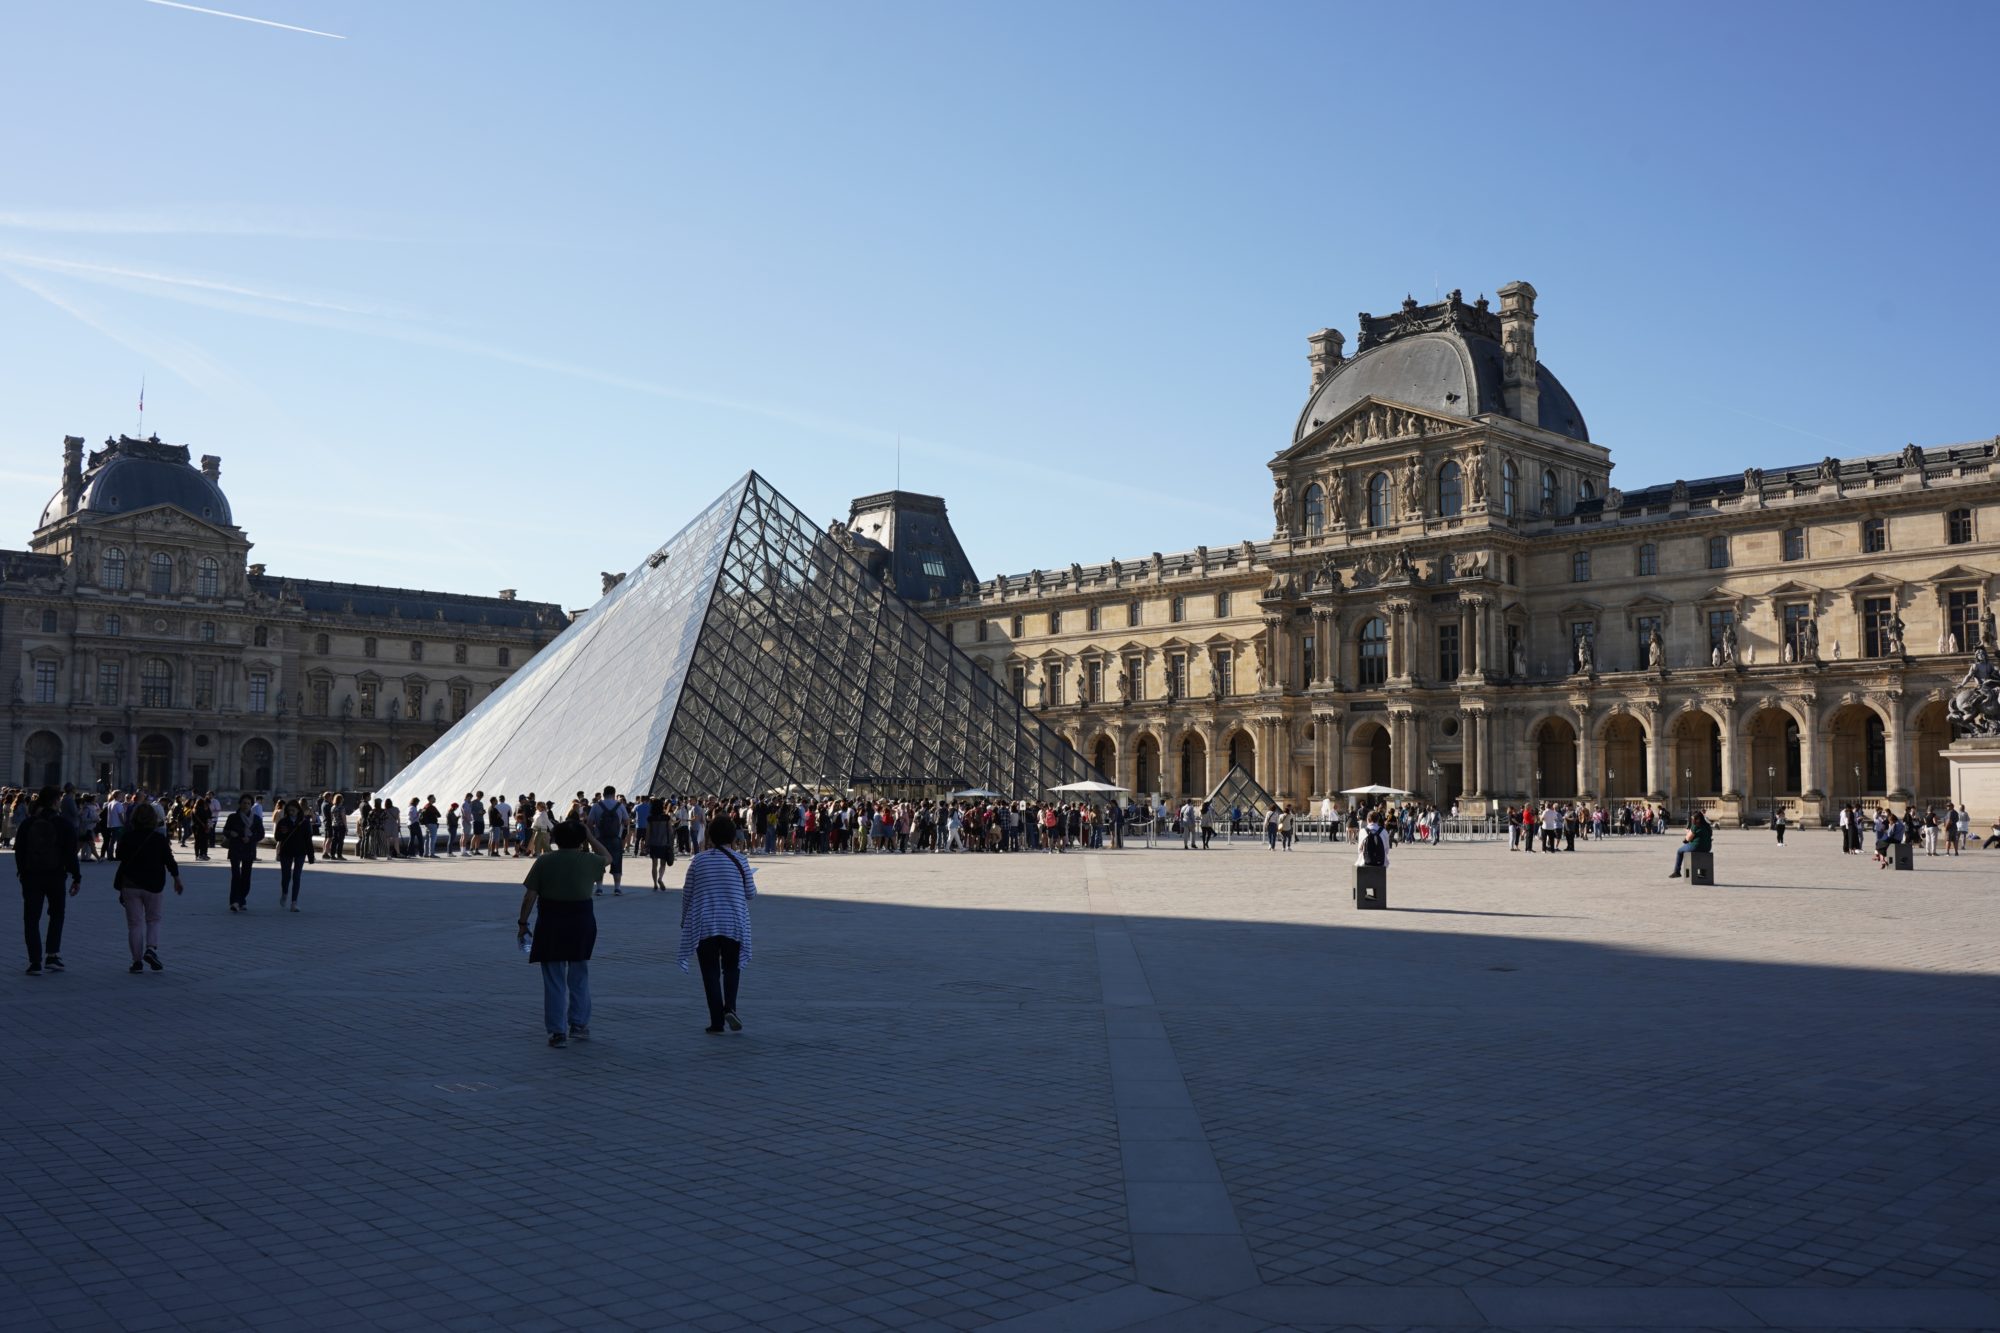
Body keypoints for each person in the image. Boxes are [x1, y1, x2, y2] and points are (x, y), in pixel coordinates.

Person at [516, 819, 610, 1048]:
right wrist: (590, 836)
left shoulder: (544, 861)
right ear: (581, 839)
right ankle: (579, 1026)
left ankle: (557, 1032)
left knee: (554, 979)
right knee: (579, 975)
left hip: (551, 922)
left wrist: (522, 923)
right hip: (581, 922)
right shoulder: (589, 860)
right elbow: (609, 858)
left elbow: (530, 896)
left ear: (555, 839)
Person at [677, 813, 755, 1035]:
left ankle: (716, 1021)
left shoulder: (698, 861)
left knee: (710, 972)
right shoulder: (741, 861)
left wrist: (684, 919)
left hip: (704, 924)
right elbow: (750, 893)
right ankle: (730, 1007)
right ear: (732, 837)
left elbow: (687, 893)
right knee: (732, 968)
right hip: (734, 924)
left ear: (710, 835)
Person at [15, 787, 81, 975]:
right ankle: (52, 955)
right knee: (57, 914)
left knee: (31, 918)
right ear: (55, 801)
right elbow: (70, 855)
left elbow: (19, 852)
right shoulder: (64, 824)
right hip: (55, 876)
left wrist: (22, 873)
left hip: (32, 876)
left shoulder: (28, 824)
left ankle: (35, 962)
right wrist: (76, 877)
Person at [113, 801, 183, 972]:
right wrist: (177, 879)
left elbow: (119, 855)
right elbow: (169, 860)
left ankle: (136, 962)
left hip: (130, 884)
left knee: (134, 924)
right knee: (153, 920)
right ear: (153, 819)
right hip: (154, 885)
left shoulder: (128, 837)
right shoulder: (159, 838)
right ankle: (151, 949)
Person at [223, 794, 265, 912]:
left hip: (249, 849)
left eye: (248, 803)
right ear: (240, 804)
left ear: (251, 805)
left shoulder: (256, 819)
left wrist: (251, 838)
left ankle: (241, 899)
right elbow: (225, 831)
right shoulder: (233, 817)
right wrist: (231, 833)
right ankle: (234, 902)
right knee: (236, 876)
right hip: (236, 848)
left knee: (246, 877)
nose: (246, 805)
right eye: (244, 803)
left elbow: (261, 834)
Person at [274, 799, 314, 912]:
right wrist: (283, 833)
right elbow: (277, 837)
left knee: (297, 877)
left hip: (300, 852)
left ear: (298, 810)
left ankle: (294, 902)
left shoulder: (304, 822)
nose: (291, 812)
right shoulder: (283, 822)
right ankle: (285, 892)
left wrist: (311, 856)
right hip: (286, 852)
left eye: (293, 810)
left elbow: (308, 840)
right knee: (286, 877)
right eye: (289, 810)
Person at [591, 786, 626, 894]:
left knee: (599, 863)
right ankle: (617, 888)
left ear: (604, 794)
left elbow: (589, 822)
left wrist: (592, 837)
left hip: (600, 839)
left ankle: (599, 888)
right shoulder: (620, 805)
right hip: (616, 838)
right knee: (617, 863)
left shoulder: (596, 806)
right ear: (614, 794)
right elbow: (627, 820)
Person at [1668, 811, 1711, 879]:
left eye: (1693, 819)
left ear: (1698, 819)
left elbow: (1688, 839)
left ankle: (1677, 872)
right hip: (1707, 847)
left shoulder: (1695, 826)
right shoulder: (1707, 825)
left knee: (1679, 851)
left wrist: (1688, 832)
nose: (1692, 820)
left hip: (1696, 846)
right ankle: (1702, 873)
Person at [646, 796, 677, 888]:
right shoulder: (666, 818)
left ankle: (655, 884)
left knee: (654, 864)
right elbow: (670, 831)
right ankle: (660, 878)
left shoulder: (650, 818)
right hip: (664, 843)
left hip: (654, 843)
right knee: (663, 864)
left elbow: (648, 833)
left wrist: (646, 844)